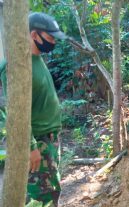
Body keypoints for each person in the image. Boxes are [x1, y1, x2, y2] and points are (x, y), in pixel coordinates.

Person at [0, 12, 67, 206]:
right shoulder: (16, 65)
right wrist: (30, 147)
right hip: (39, 142)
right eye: (50, 37)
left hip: (51, 139)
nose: (53, 42)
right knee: (40, 197)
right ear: (34, 34)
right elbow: (13, 112)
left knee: (52, 191)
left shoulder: (37, 58)